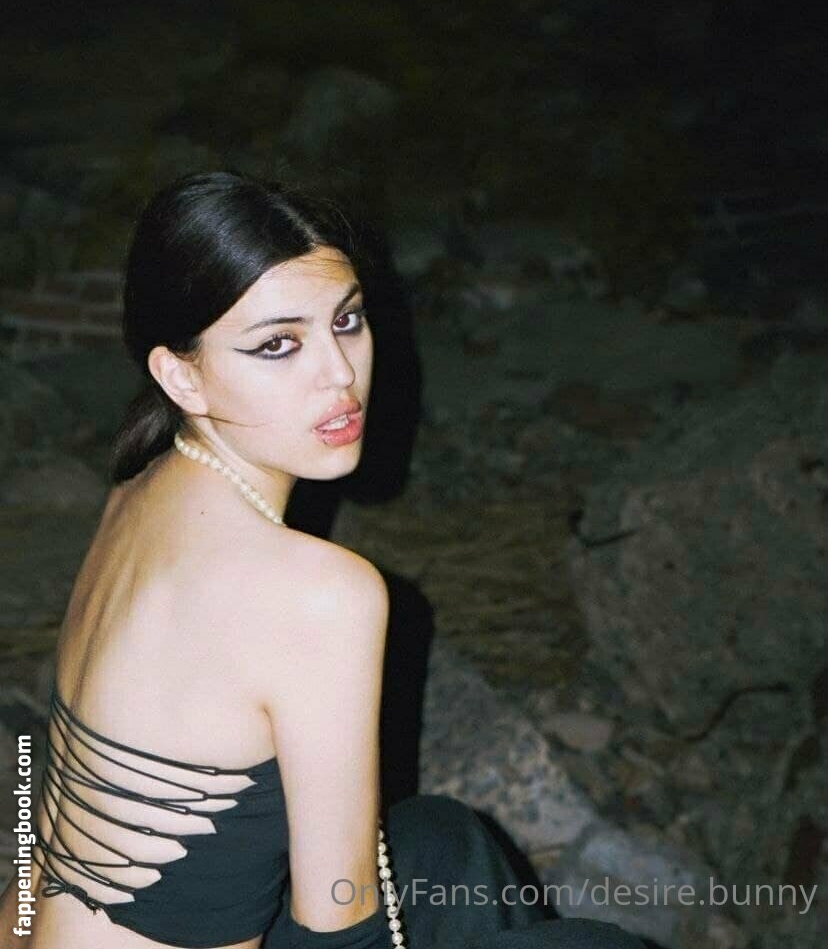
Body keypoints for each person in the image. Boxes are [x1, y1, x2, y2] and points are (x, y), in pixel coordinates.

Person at [0, 172, 646, 949]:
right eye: (279, 344)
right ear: (180, 373)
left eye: (347, 320)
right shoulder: (320, 595)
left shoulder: (134, 489)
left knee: (447, 842)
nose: (339, 373)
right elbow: (341, 926)